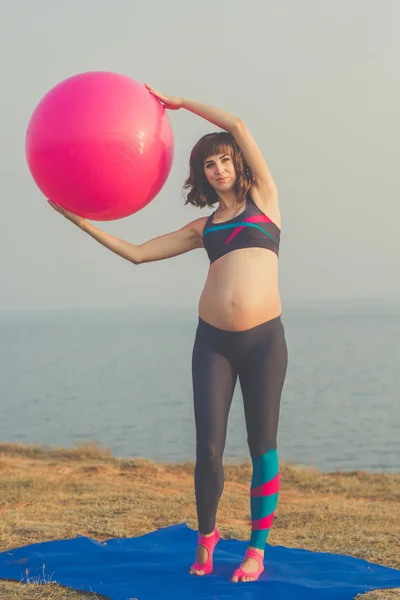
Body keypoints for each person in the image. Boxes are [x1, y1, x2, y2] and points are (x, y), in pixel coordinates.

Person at [48, 84, 288, 583]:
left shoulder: (265, 200)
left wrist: (181, 104)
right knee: (208, 449)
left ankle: (257, 551)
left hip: (265, 341)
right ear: (201, 175)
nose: (218, 169)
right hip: (213, 343)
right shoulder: (203, 228)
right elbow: (138, 253)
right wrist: (81, 222)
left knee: (263, 443)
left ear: (238, 164)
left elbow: (239, 125)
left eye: (224, 160)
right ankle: (207, 538)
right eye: (209, 165)